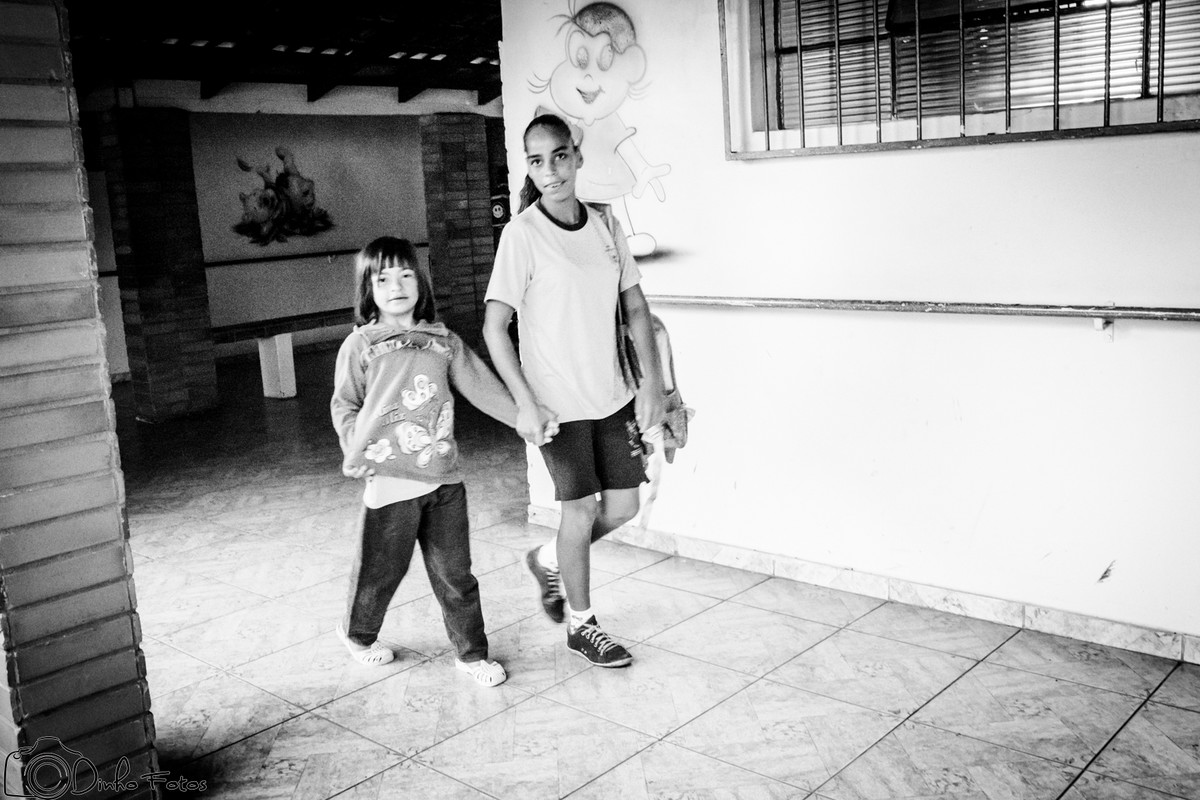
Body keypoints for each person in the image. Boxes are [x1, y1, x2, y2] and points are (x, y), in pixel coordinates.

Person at [482, 113, 666, 668]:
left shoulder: (605, 225)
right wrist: (525, 402)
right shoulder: (522, 235)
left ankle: (547, 558)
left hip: (612, 394)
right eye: (537, 161)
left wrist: (652, 385)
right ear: (529, 168)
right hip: (557, 407)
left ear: (577, 157)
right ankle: (583, 626)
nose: (551, 170)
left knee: (625, 506)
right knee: (580, 510)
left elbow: (636, 307)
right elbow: (494, 327)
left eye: (560, 156)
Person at [331, 237, 550, 686]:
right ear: (368, 289)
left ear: (421, 282)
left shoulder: (443, 342)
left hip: (443, 477)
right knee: (380, 572)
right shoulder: (360, 345)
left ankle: (471, 654)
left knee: (456, 575)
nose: (396, 286)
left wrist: (525, 420)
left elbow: (482, 387)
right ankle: (357, 634)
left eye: (406, 275)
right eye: (383, 279)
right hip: (389, 481)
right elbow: (345, 405)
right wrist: (356, 448)